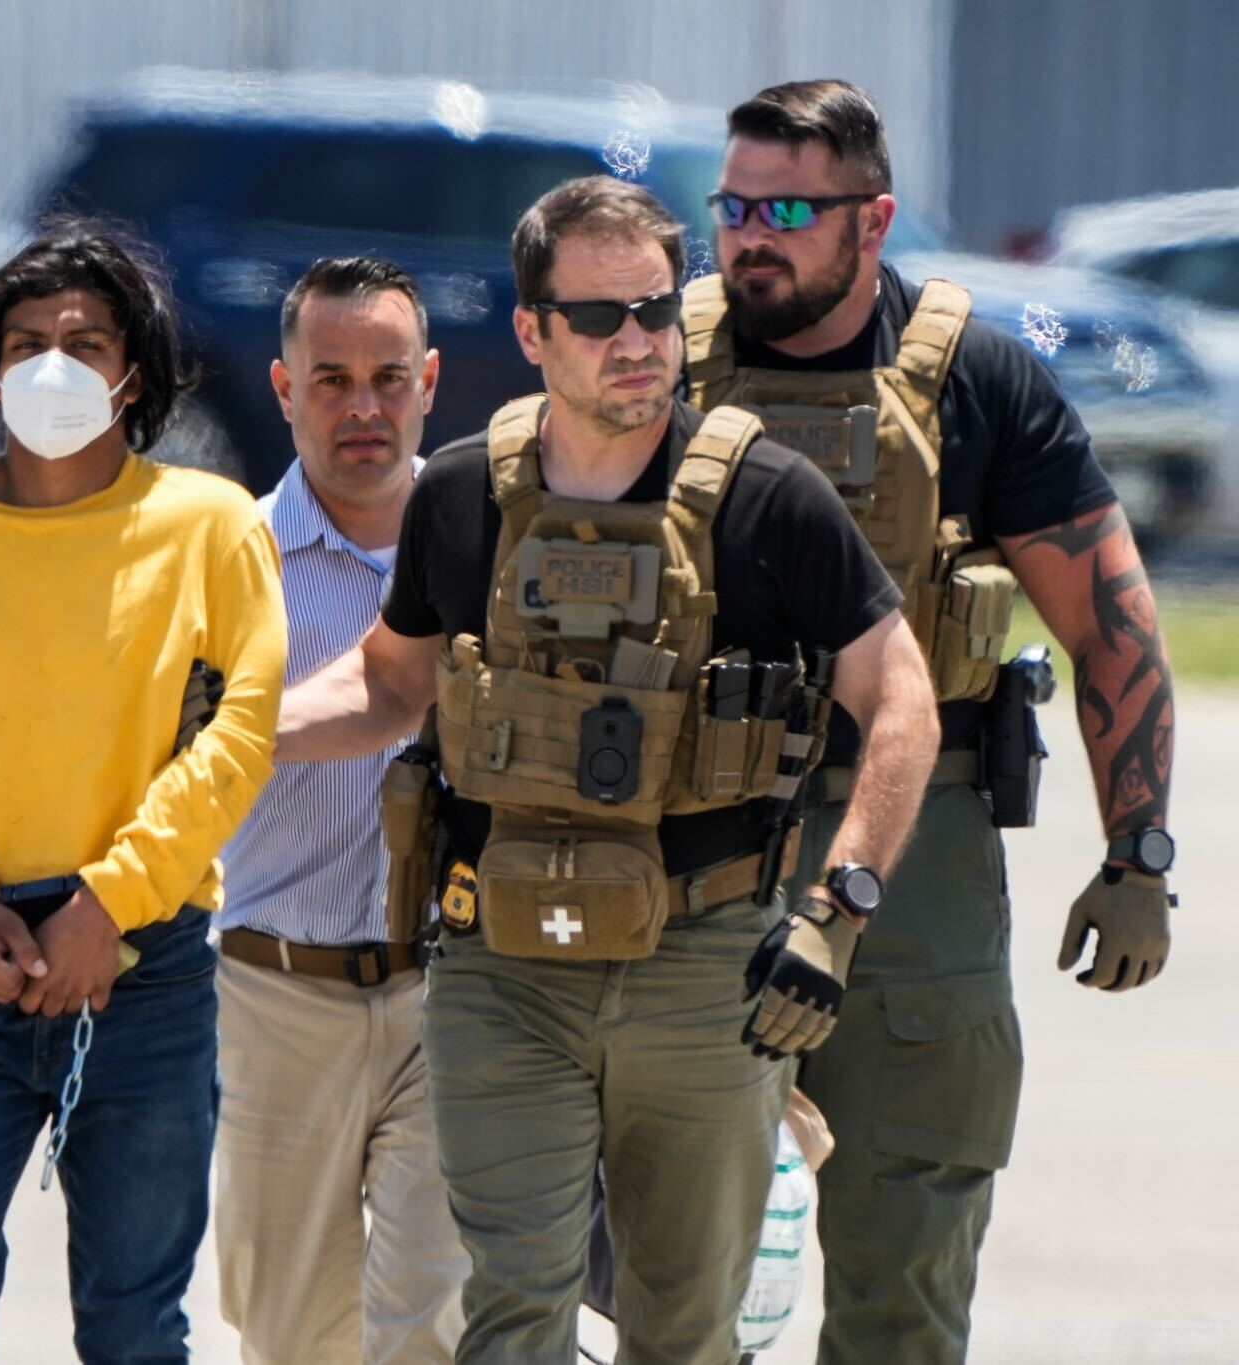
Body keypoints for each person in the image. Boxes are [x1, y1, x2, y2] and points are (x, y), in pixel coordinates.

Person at [277, 175, 941, 1364]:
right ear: (531, 332)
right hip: (502, 968)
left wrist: (835, 915)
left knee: (681, 1326)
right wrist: (235, 731)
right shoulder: (461, 493)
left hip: (702, 970)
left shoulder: (766, 494)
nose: (633, 341)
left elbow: (898, 699)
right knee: (515, 1302)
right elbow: (389, 683)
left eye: (651, 310)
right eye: (595, 318)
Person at [682, 80, 1180, 1364]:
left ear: (874, 218)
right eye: (731, 204)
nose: (749, 234)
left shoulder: (975, 378)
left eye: (786, 206)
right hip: (683, 848)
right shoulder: (654, 362)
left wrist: (1138, 860)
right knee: (668, 1285)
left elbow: (1109, 627)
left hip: (918, 864)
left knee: (901, 1283)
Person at [0, 219, 285, 1365]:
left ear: (136, 372)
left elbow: (238, 734)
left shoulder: (211, 526)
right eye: (27, 341)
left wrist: (109, 905)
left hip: (147, 975)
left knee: (134, 1328)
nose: (54, 367)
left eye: (86, 342)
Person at [211, 256, 468, 1365]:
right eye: (329, 380)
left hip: (448, 996)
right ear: (280, 388)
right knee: (288, 1335)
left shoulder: (493, 556)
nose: (362, 406)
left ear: (431, 381)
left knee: (423, 1317)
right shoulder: (225, 566)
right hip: (273, 997)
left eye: (387, 376)